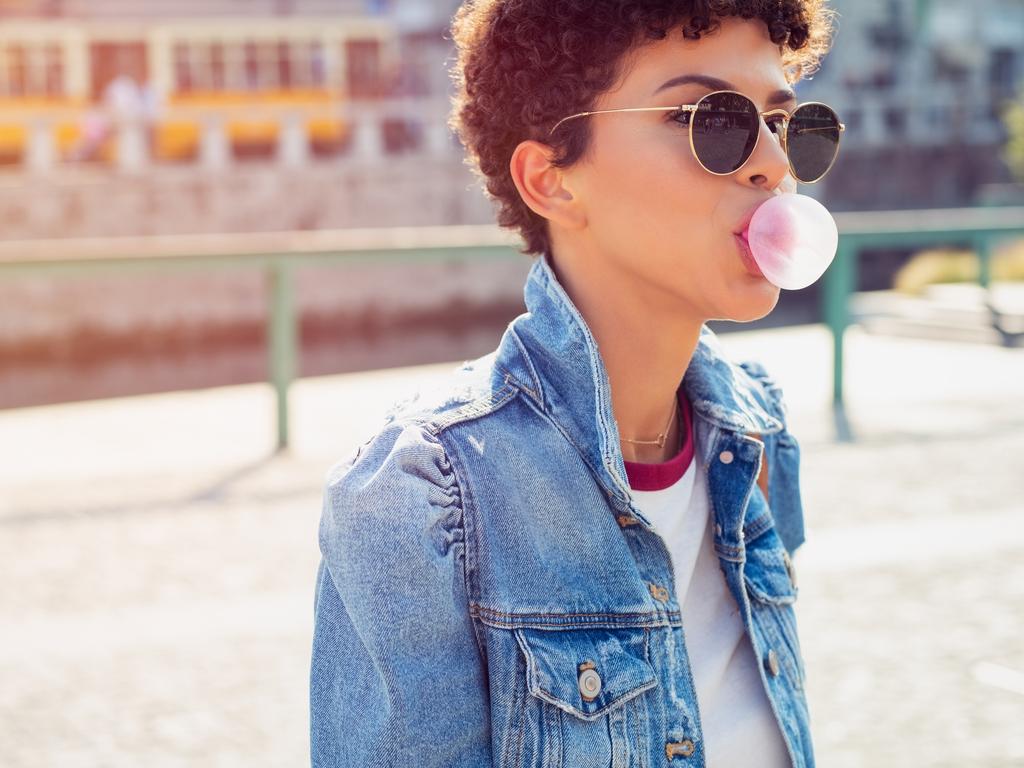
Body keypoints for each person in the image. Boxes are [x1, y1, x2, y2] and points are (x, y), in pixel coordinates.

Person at [310, 1, 838, 765]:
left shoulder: (758, 430)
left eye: (786, 124)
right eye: (713, 121)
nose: (775, 166)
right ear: (552, 181)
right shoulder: (419, 496)